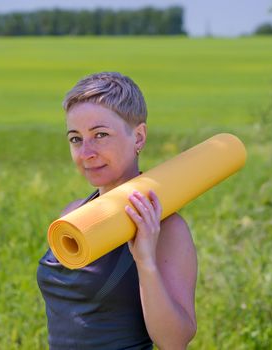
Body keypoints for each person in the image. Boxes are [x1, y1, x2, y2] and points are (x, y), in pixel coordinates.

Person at [37, 72, 197, 349]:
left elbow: (174, 342)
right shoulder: (71, 214)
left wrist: (145, 262)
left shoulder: (167, 228)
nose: (86, 152)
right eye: (76, 139)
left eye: (100, 135)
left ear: (138, 137)